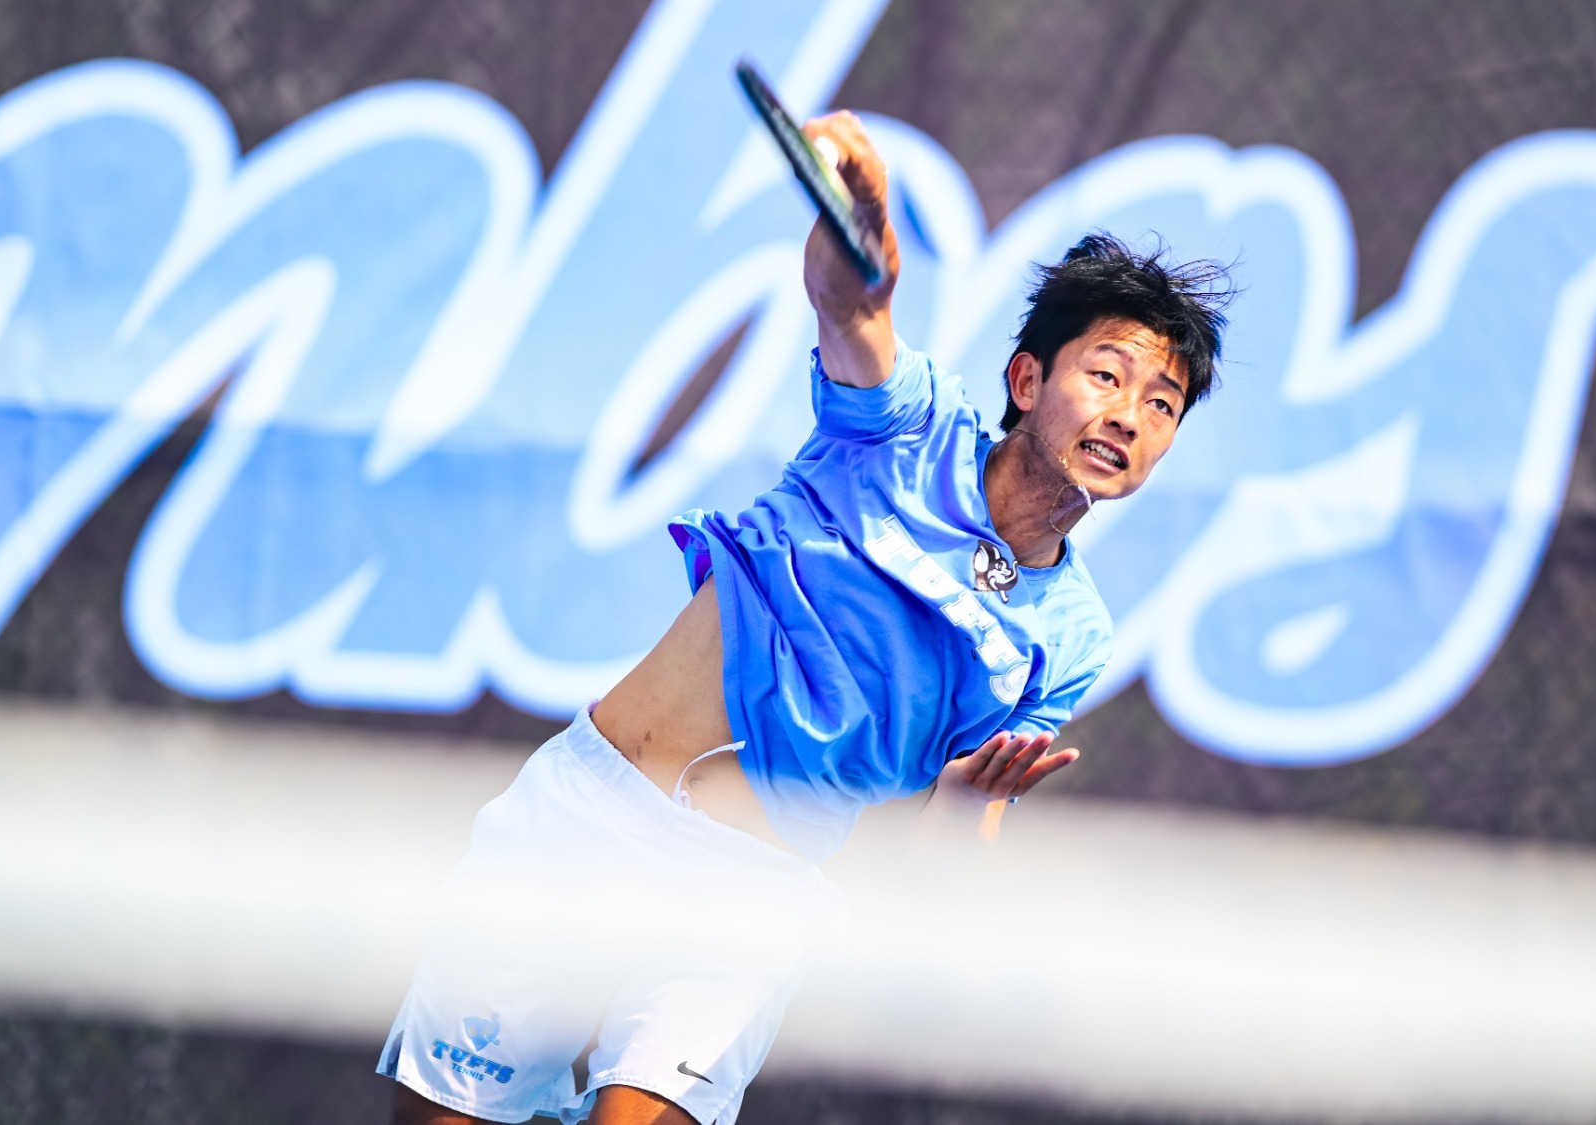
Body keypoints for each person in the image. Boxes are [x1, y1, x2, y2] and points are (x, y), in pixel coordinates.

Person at [381, 111, 1228, 1125]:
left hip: (748, 896)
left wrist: (965, 806)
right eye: (1107, 374)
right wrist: (859, 236)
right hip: (588, 814)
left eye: (1163, 404)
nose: (1130, 414)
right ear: (1026, 380)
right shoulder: (908, 425)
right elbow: (847, 301)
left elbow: (947, 853)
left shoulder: (1074, 637)